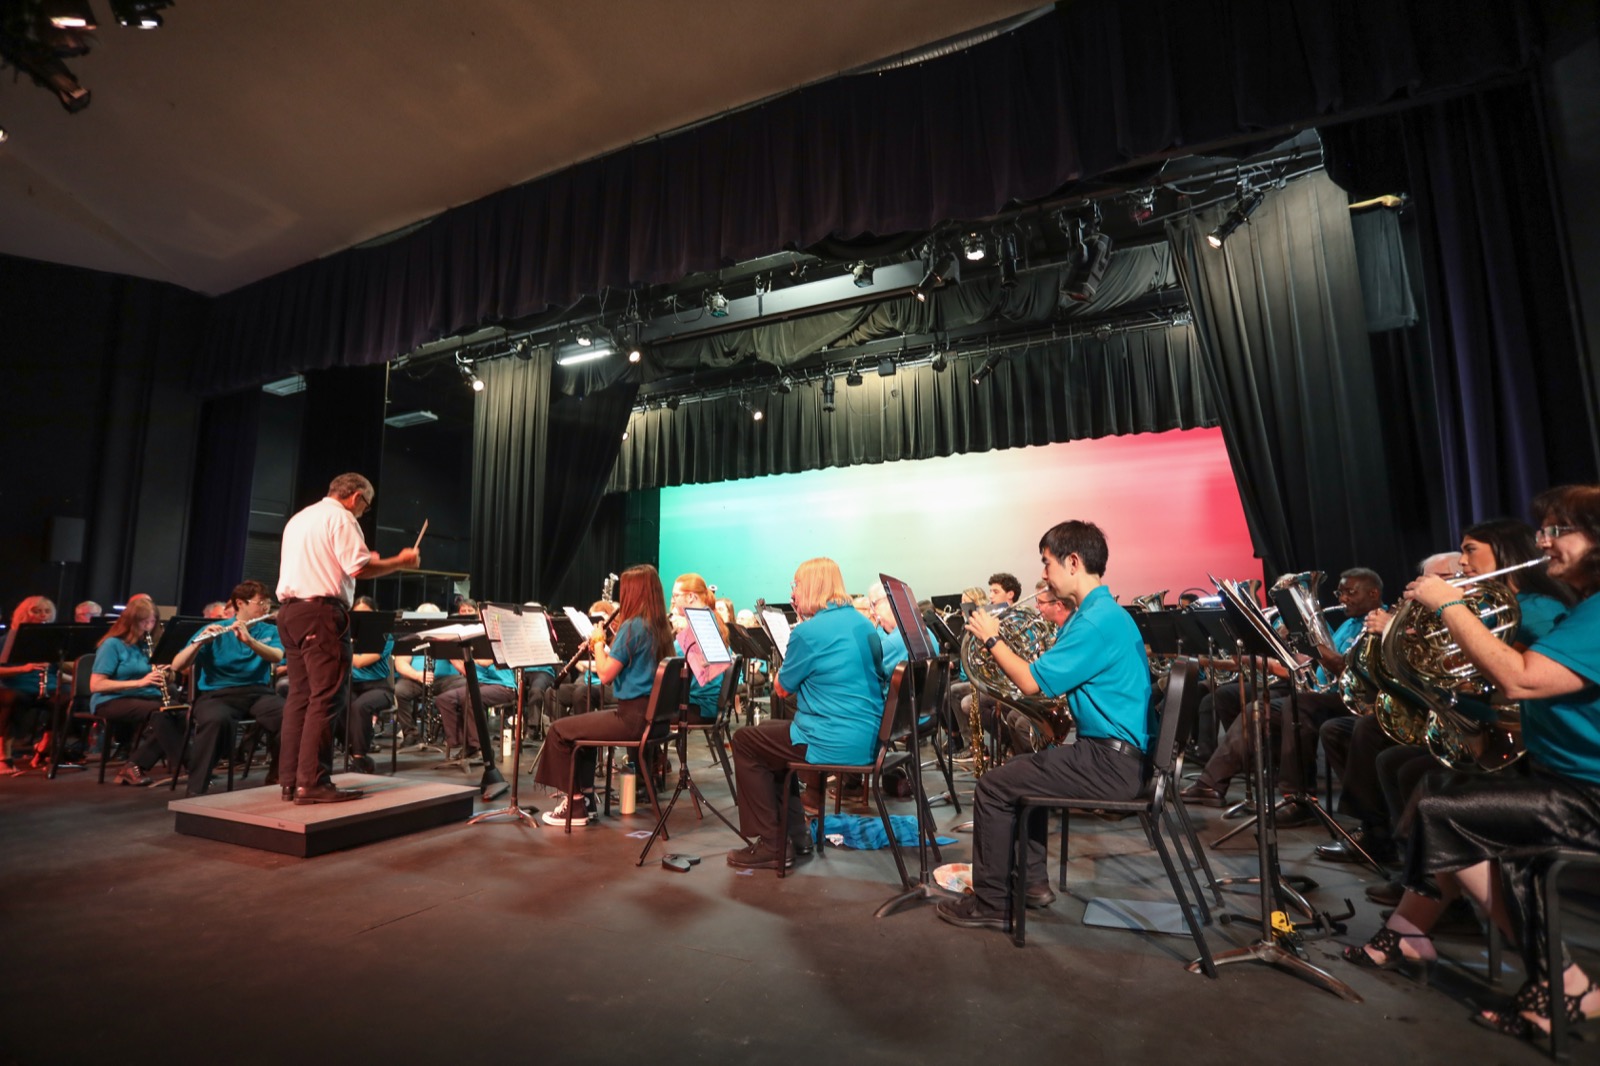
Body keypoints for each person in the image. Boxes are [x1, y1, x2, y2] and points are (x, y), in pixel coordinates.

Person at [1343, 485, 1600, 1047]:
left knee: (1443, 809)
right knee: (1443, 799)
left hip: (1588, 794)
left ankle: (1564, 981)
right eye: (1543, 530)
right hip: (1560, 779)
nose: (1544, 542)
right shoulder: (1587, 609)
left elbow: (1520, 680)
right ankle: (1417, 931)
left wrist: (1449, 605)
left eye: (1559, 531)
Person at [937, 521, 1152, 930]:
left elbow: (1030, 682)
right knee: (1024, 774)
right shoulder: (1104, 615)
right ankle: (1032, 884)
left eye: (1047, 563)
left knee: (993, 787)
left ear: (1073, 562)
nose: (1045, 574)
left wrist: (992, 639)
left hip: (1111, 764)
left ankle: (991, 903)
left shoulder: (1094, 622)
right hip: (1118, 757)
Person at [1180, 568, 1384, 824]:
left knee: (1301, 705)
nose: (1343, 599)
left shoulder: (1378, 624)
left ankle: (1298, 797)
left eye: (1350, 592)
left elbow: (1345, 669)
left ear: (1373, 593)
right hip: (1322, 693)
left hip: (1354, 698)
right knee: (1257, 708)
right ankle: (1211, 784)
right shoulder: (1347, 624)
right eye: (1340, 593)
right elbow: (1316, 664)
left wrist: (1308, 641)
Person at [727, 557, 884, 869]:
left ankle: (772, 844)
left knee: (744, 741)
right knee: (768, 736)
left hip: (833, 740)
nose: (793, 593)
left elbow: (782, 689)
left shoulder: (809, 632)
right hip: (868, 737)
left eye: (796, 585)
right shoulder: (863, 624)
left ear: (812, 587)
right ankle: (798, 836)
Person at [275, 473, 419, 804]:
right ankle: (312, 782)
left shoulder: (300, 518)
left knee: (300, 697)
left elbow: (330, 563)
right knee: (326, 698)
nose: (364, 512)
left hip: (291, 613)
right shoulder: (341, 518)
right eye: (366, 505)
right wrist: (400, 562)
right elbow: (359, 568)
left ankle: (291, 781)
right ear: (355, 497)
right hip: (320, 613)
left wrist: (369, 560)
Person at [534, 565, 674, 827]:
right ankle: (586, 800)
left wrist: (598, 642)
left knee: (559, 730)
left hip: (632, 719)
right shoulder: (659, 626)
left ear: (634, 593)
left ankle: (575, 804)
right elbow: (631, 662)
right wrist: (605, 647)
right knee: (583, 735)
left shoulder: (632, 626)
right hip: (654, 720)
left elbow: (606, 674)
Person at [170, 581, 286, 795]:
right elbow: (177, 665)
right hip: (217, 695)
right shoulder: (215, 629)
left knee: (289, 716)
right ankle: (196, 790)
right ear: (240, 603)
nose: (266, 607)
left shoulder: (270, 630)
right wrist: (199, 643)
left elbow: (277, 656)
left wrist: (249, 640)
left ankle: (277, 775)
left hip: (258, 693)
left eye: (268, 603)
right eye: (260, 602)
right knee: (216, 720)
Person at [90, 598, 186, 786]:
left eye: (152, 621)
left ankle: (134, 765)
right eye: (144, 622)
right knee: (160, 713)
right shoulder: (112, 645)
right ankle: (190, 764)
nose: (149, 626)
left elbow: (168, 679)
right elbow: (96, 685)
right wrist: (140, 682)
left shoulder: (149, 645)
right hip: (111, 699)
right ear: (131, 622)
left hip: (146, 697)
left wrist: (168, 673)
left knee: (180, 711)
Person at [0, 596, 59, 772]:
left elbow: (59, 669)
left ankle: (44, 747)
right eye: (37, 611)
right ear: (24, 614)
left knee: (68, 699)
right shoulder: (9, 638)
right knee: (12, 699)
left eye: (47, 611)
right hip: (15, 685)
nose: (43, 615)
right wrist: (24, 668)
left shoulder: (52, 640)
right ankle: (4, 754)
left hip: (47, 684)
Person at [671, 573, 733, 724]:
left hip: (700, 706)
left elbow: (670, 657)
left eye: (676, 595)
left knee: (646, 714)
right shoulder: (710, 617)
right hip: (709, 703)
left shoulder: (700, 625)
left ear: (690, 597)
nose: (673, 600)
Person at [342, 596, 394, 773]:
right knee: (337, 704)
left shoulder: (384, 636)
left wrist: (342, 648)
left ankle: (359, 758)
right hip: (352, 685)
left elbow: (360, 662)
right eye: (358, 615)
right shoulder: (346, 636)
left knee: (360, 707)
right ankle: (352, 749)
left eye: (366, 614)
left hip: (379, 687)